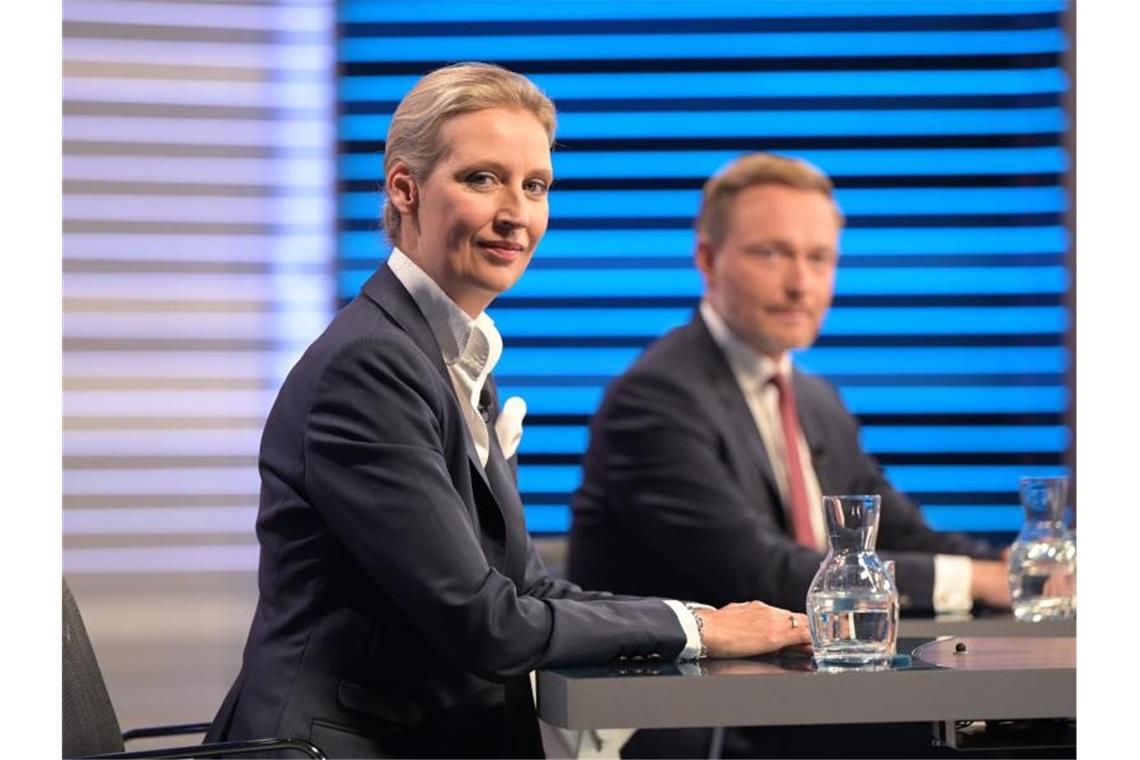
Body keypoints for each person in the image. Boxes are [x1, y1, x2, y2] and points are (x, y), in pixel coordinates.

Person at [205, 66, 809, 759]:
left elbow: (526, 588)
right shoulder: (370, 367)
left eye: (535, 186)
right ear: (405, 189)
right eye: (482, 179)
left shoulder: (452, 355)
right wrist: (699, 632)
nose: (516, 214)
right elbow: (486, 623)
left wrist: (701, 620)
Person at [565, 153, 1011, 757]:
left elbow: (898, 530)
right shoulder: (657, 397)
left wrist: (1015, 571)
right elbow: (763, 574)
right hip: (693, 719)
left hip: (799, 697)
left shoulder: (814, 397)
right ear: (707, 260)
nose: (801, 283)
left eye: (819, 257)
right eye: (772, 253)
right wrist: (980, 581)